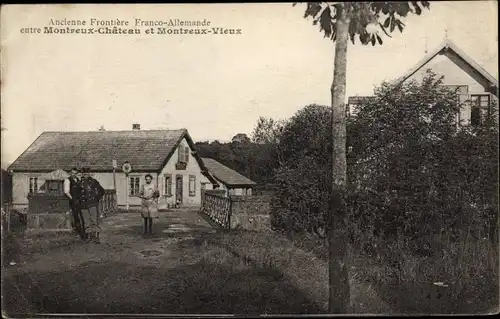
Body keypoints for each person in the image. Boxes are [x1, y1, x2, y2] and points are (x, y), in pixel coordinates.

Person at [79, 166, 105, 243]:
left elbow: (102, 191)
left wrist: (96, 199)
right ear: (82, 174)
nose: (86, 174)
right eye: (84, 173)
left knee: (94, 220)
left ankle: (96, 237)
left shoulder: (94, 182)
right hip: (83, 205)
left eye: (87, 173)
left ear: (89, 173)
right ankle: (88, 236)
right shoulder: (79, 183)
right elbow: (77, 193)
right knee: (86, 221)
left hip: (92, 204)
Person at [64, 167, 85, 239]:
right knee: (76, 217)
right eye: (72, 173)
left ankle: (83, 232)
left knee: (82, 216)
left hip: (80, 200)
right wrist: (73, 199)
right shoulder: (67, 180)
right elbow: (66, 192)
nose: (74, 174)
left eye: (75, 173)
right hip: (74, 201)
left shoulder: (78, 180)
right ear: (70, 173)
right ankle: (78, 233)